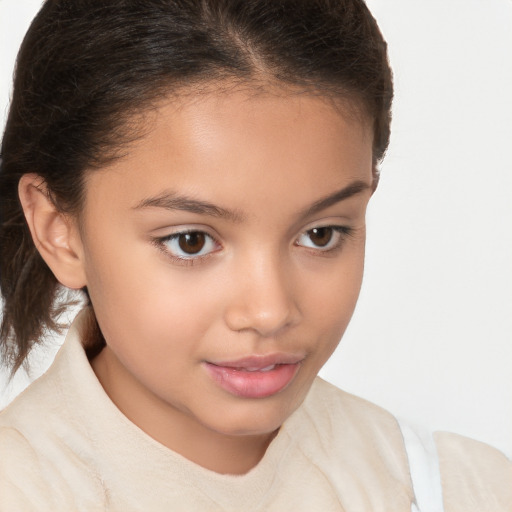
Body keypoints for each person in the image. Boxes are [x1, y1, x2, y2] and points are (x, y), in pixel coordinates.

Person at [0, 1, 510, 510]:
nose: (270, 311)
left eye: (321, 234)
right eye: (191, 241)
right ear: (59, 230)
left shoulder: (463, 491)